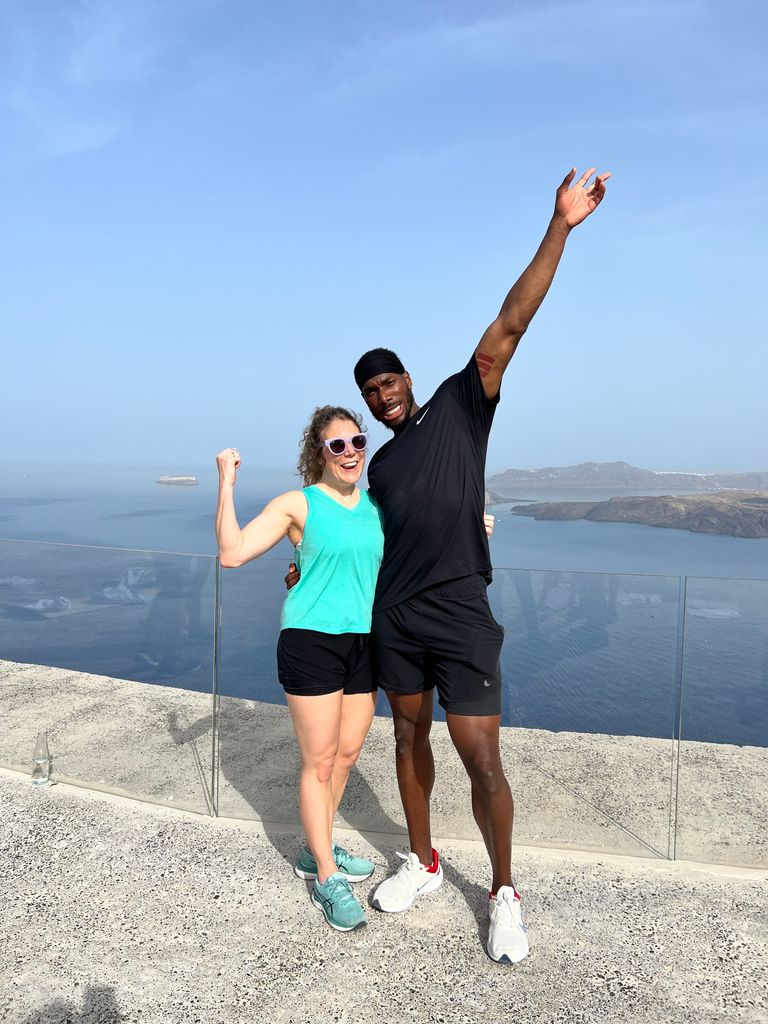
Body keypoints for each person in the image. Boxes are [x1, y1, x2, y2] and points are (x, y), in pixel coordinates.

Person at [348, 166, 611, 965]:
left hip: (462, 611)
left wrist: (560, 224)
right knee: (406, 741)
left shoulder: (465, 403)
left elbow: (512, 318)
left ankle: (502, 891)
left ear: (409, 379)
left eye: (388, 380)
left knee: (482, 757)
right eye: (370, 391)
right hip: (396, 617)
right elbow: (370, 540)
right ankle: (424, 863)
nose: (382, 395)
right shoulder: (380, 468)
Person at [215, 406, 383, 932]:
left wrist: (477, 525)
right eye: (337, 445)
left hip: (363, 641)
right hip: (311, 641)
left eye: (357, 440)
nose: (351, 451)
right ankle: (326, 877)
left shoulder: (376, 505)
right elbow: (233, 553)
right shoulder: (299, 503)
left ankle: (317, 848)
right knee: (320, 762)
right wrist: (226, 482)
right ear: (319, 453)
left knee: (348, 754)